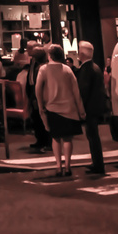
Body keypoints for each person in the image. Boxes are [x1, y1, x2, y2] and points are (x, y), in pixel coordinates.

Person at [36, 43, 86, 177]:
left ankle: (58, 166)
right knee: (68, 139)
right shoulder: (67, 70)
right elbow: (76, 92)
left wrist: (41, 106)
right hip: (69, 108)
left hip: (52, 108)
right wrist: (81, 110)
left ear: (50, 55)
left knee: (56, 139)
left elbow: (38, 89)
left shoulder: (43, 70)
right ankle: (68, 166)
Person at [77, 40, 107, 175]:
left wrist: (80, 108)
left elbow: (83, 90)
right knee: (93, 136)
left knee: (92, 136)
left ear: (82, 53)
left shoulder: (86, 69)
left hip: (90, 108)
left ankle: (98, 164)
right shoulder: (95, 67)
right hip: (96, 107)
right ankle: (97, 163)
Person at [25, 44, 51, 153]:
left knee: (42, 119)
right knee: (36, 118)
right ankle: (39, 140)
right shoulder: (33, 63)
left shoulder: (42, 67)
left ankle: (46, 142)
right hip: (32, 92)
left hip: (39, 94)